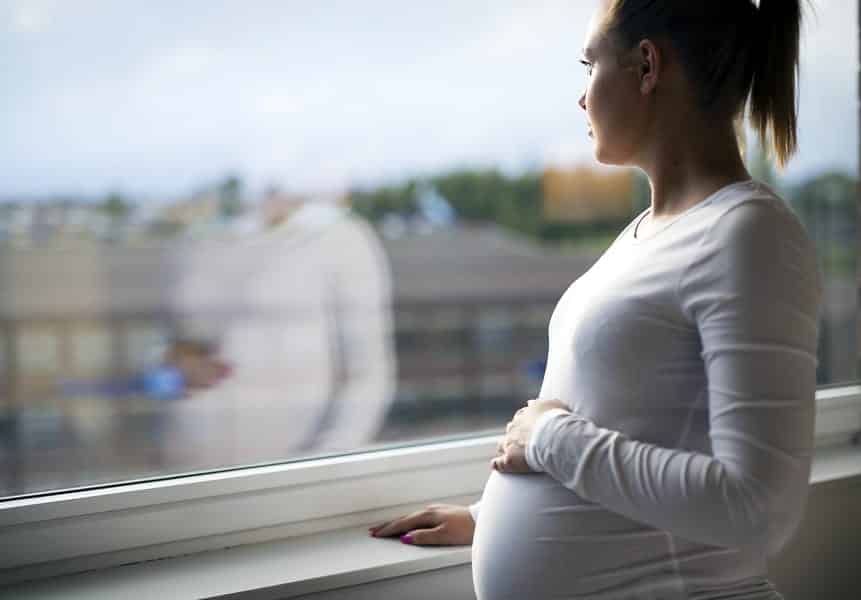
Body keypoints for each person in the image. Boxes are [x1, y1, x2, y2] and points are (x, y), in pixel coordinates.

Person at [368, 1, 822, 598]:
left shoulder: (750, 236)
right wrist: (487, 517)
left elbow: (757, 508)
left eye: (589, 65)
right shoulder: (648, 232)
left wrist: (550, 439)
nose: (582, 97)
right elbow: (635, 419)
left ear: (646, 65)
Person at [159, 195, 396, 469]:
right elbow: (167, 353)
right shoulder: (190, 242)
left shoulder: (339, 239)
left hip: (290, 470)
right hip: (188, 467)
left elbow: (368, 374)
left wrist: (327, 461)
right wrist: (173, 369)